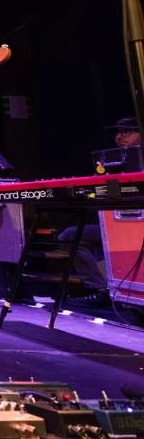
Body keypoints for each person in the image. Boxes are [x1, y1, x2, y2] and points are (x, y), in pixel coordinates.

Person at [62, 116, 141, 308]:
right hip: (119, 224)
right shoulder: (114, 160)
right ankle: (101, 290)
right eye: (117, 134)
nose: (119, 137)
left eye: (127, 132)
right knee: (70, 236)